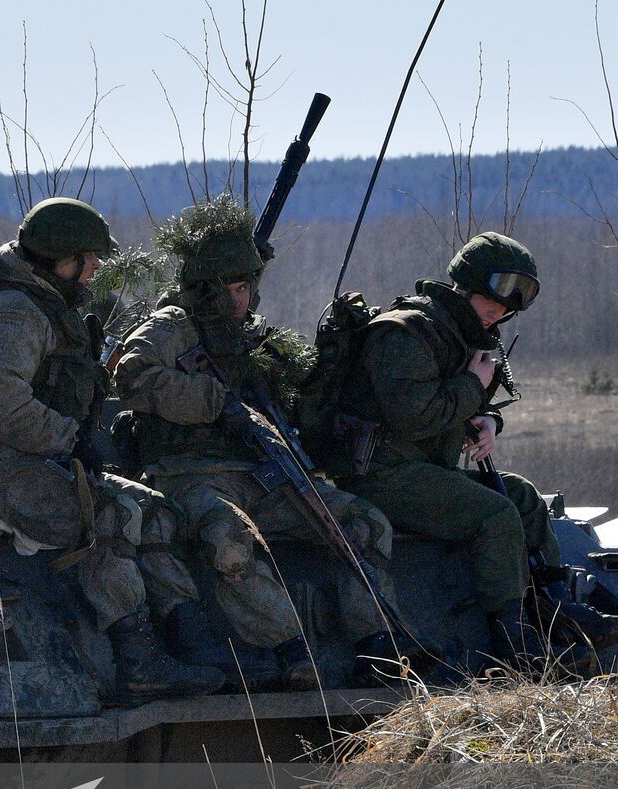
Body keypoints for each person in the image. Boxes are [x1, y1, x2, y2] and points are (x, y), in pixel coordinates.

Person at [113, 195, 405, 689]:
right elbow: (132, 374)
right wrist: (211, 401)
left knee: (361, 522)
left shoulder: (253, 343)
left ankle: (377, 645)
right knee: (228, 538)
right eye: (227, 288)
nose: (238, 299)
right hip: (192, 476)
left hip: (262, 477)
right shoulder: (172, 328)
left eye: (244, 286)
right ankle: (285, 649)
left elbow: (299, 407)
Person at [0, 197, 223, 704]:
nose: (96, 268)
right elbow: (2, 409)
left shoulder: (47, 304)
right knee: (105, 517)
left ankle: (196, 645)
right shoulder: (11, 314)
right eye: (88, 258)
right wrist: (71, 439)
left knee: (157, 514)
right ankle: (138, 661)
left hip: (38, 454)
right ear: (58, 257)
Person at [328, 230, 618, 664]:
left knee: (522, 496)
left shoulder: (461, 334)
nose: (501, 311)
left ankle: (557, 609)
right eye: (496, 299)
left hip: (422, 470)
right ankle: (515, 644)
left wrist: (488, 419)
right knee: (494, 513)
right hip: (379, 474)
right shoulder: (405, 333)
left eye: (511, 305)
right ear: (467, 285)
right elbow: (415, 418)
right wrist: (473, 386)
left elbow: (467, 404)